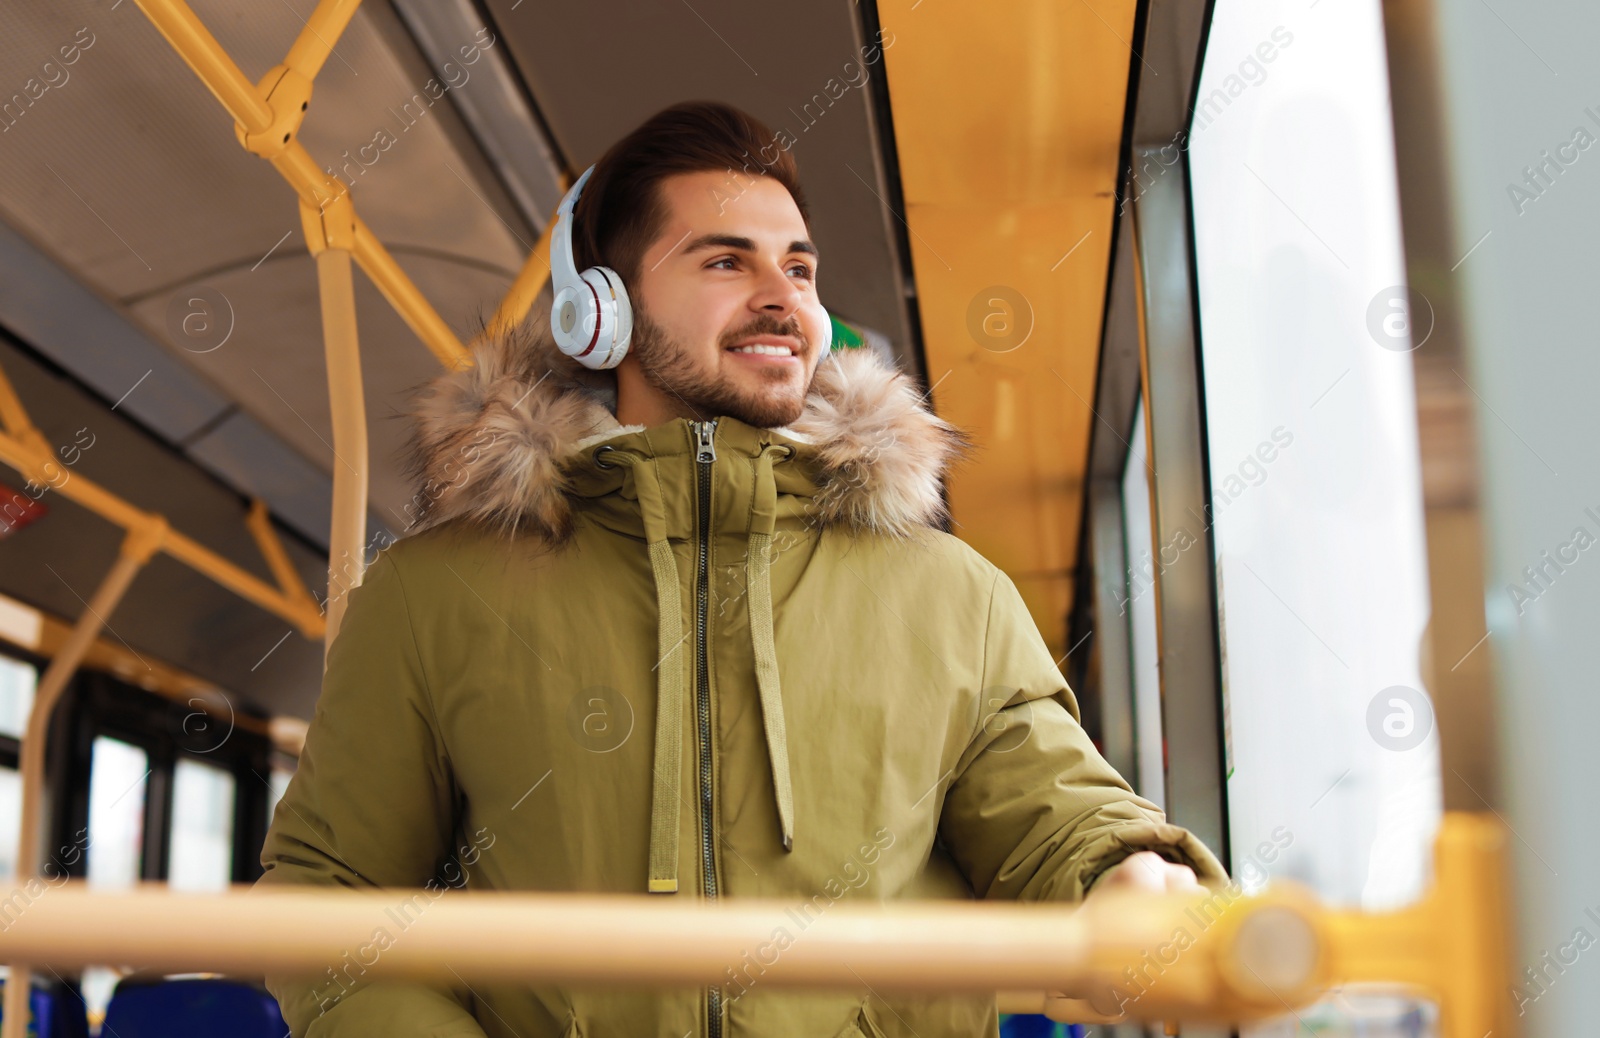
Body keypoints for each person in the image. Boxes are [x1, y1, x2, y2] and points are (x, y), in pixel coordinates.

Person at [256, 100, 1226, 1038]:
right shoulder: (436, 595)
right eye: (725, 259)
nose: (783, 297)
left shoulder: (952, 594)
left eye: (798, 269)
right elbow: (327, 894)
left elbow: (1056, 815)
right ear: (600, 310)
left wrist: (1126, 873)